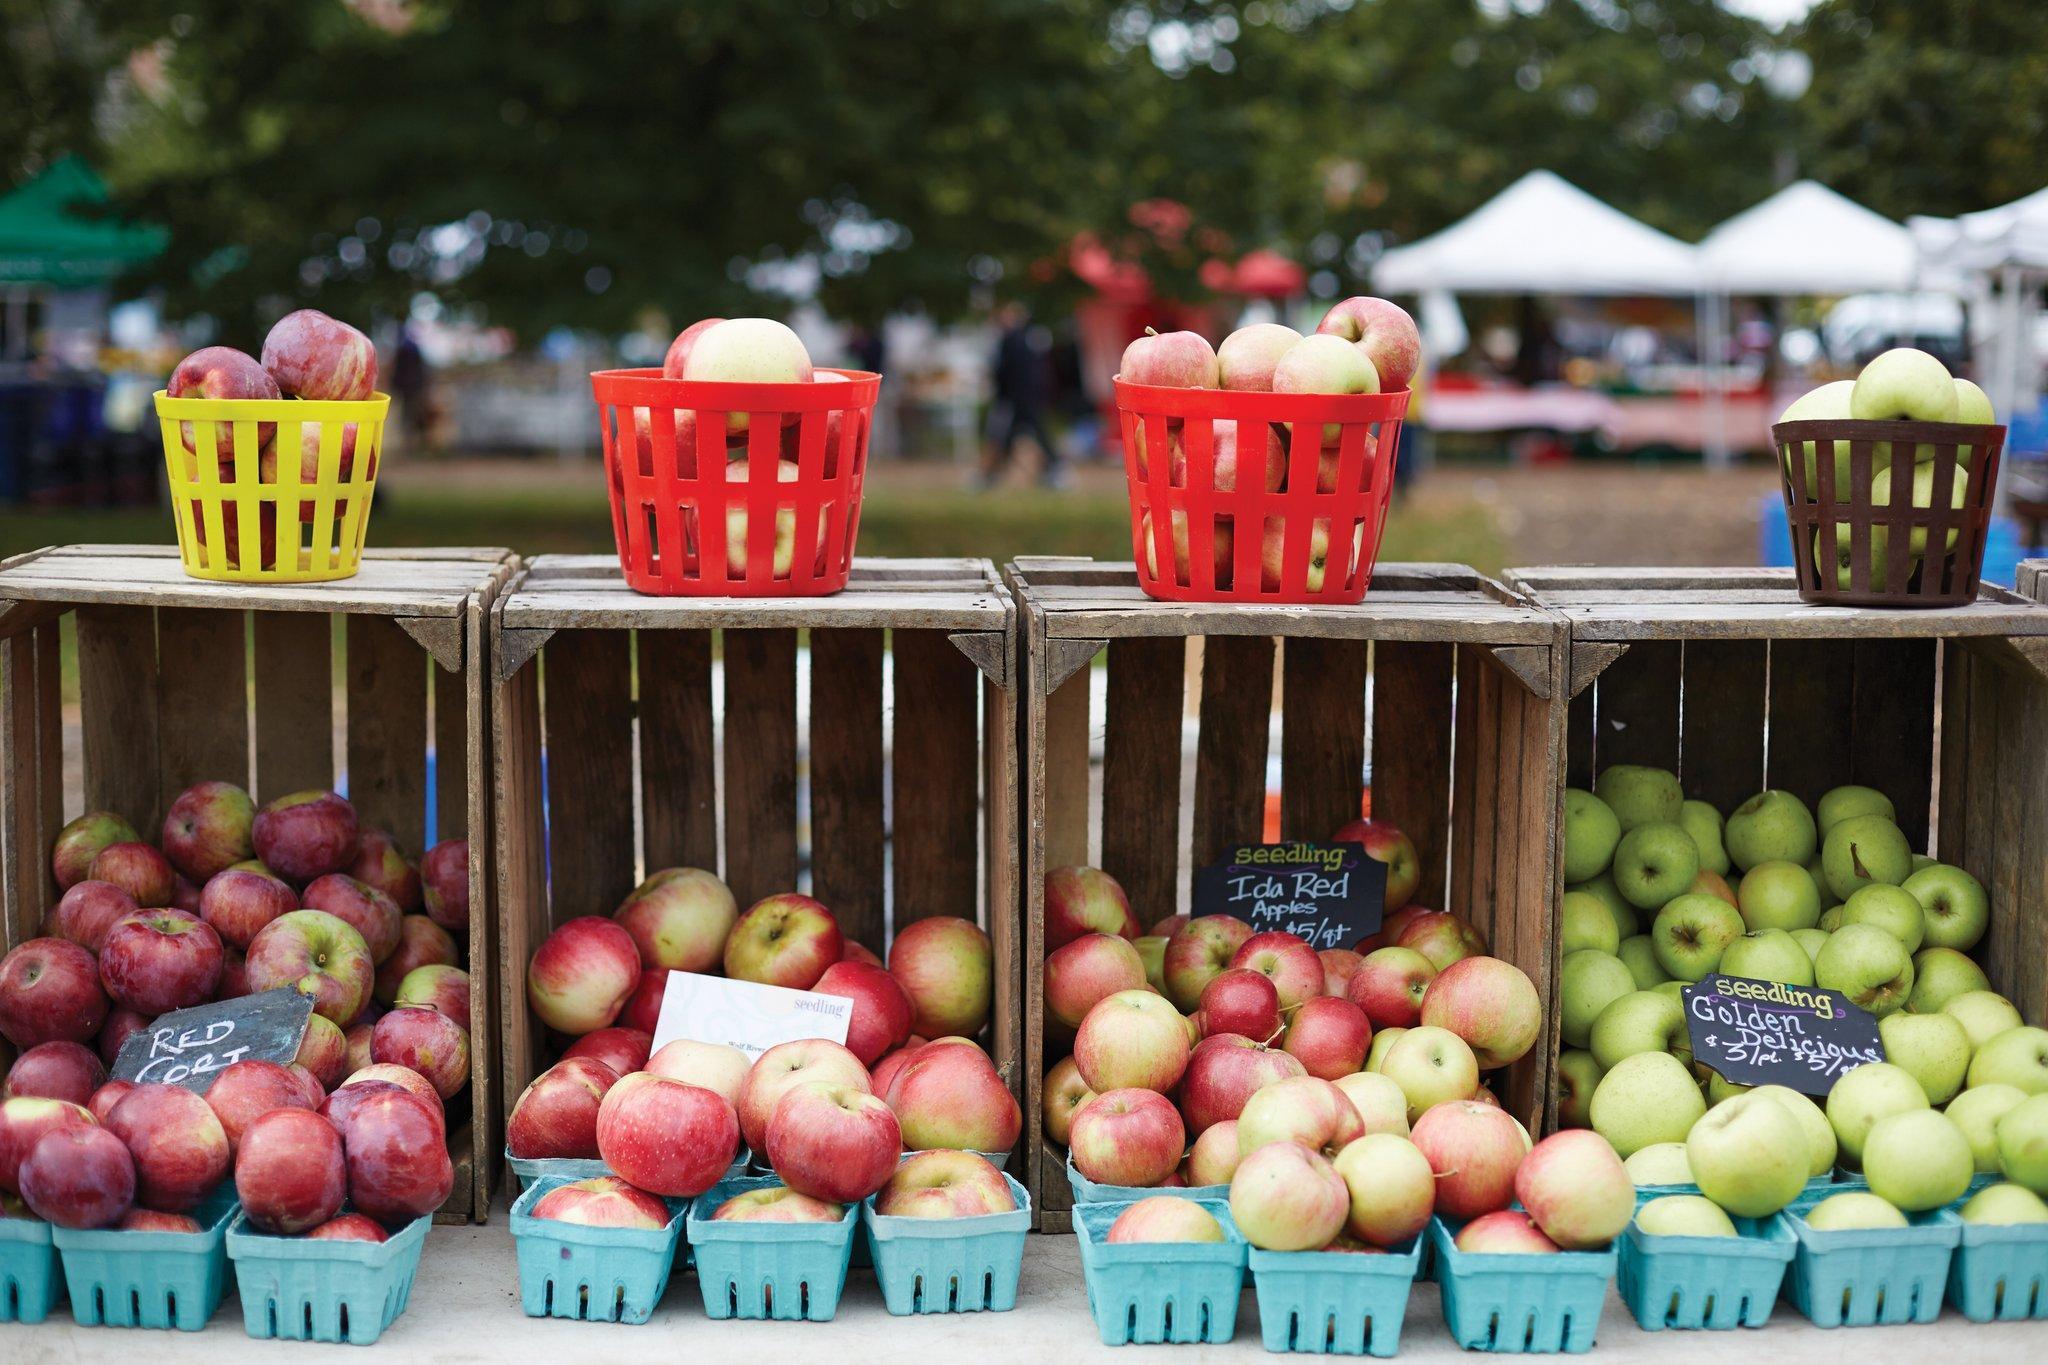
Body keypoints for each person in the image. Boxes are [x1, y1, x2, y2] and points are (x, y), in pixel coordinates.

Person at [980, 302, 1062, 488]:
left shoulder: (1012, 340)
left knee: (1002, 438)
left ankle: (989, 476)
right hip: (1026, 399)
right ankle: (1052, 472)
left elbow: (1003, 373)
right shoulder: (1029, 339)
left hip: (1014, 400)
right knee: (1014, 439)